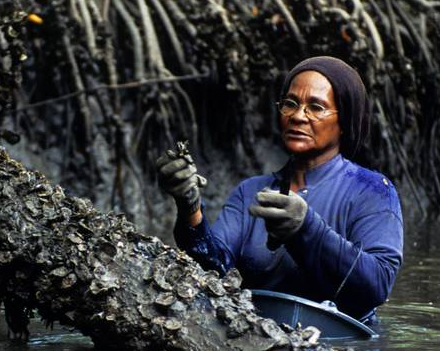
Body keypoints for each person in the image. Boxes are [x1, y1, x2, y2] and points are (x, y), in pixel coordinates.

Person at [156, 56, 403, 324]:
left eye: (316, 107)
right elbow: (211, 272)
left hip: (344, 349)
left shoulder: (373, 191)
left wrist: (307, 229)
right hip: (253, 337)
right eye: (290, 104)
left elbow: (377, 286)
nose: (298, 116)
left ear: (345, 121)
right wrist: (189, 208)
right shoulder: (250, 191)